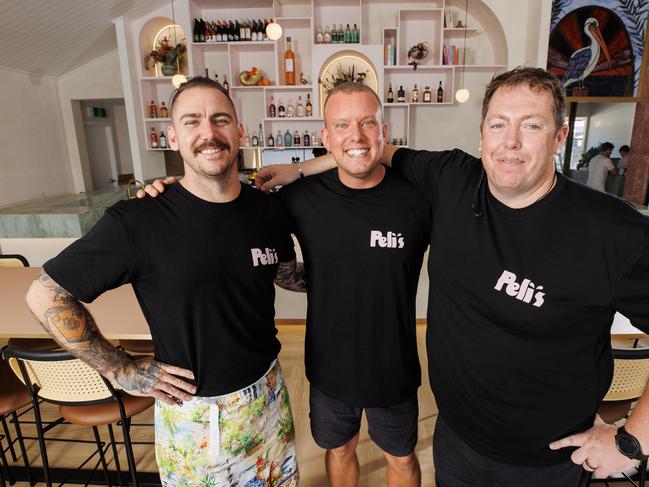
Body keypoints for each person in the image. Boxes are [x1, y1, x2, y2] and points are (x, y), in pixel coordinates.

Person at [256, 67, 649, 487]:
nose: (511, 141)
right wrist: (298, 169)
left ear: (559, 137)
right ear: (482, 135)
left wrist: (633, 440)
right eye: (499, 124)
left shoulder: (609, 230)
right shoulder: (453, 180)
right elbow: (367, 150)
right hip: (456, 443)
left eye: (531, 125)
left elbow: (371, 146)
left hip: (547, 461)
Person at [140, 82, 431, 487]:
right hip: (329, 367)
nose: (357, 135)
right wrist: (175, 193)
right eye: (342, 125)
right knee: (340, 449)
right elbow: (231, 209)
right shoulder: (300, 198)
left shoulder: (418, 199)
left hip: (394, 366)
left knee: (401, 459)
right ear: (326, 138)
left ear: (385, 131)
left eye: (368, 123)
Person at [25, 77, 304, 486]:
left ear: (239, 130)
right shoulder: (139, 220)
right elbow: (44, 293)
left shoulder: (267, 209)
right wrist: (120, 368)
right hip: (195, 415)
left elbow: (284, 273)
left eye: (220, 119)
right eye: (192, 121)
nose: (209, 133)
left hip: (270, 395)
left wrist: (357, 269)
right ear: (173, 137)